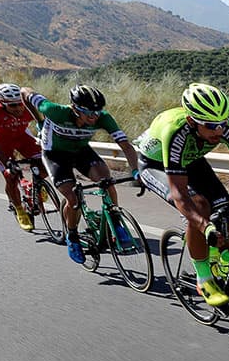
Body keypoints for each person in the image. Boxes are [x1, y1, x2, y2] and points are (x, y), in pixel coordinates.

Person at [136, 83, 229, 307]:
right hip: (155, 165)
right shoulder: (175, 132)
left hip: (192, 160)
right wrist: (203, 225)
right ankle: (204, 279)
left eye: (222, 123)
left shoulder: (225, 129)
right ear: (192, 121)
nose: (219, 131)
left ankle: (222, 268)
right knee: (199, 208)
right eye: (211, 126)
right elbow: (179, 194)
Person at [21, 84, 141, 262]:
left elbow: (126, 146)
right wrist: (39, 120)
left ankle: (115, 223)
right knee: (73, 199)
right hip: (55, 155)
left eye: (97, 112)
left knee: (107, 183)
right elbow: (24, 91)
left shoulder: (103, 118)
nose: (94, 117)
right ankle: (72, 236)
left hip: (82, 151)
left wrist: (136, 172)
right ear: (75, 108)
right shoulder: (54, 111)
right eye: (88, 112)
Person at [0, 83, 47, 230]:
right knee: (10, 175)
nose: (18, 108)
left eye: (20, 104)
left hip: (22, 137)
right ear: (2, 104)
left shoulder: (29, 108)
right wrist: (8, 163)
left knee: (47, 163)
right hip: (1, 142)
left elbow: (44, 125)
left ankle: (33, 185)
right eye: (12, 106)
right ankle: (19, 210)